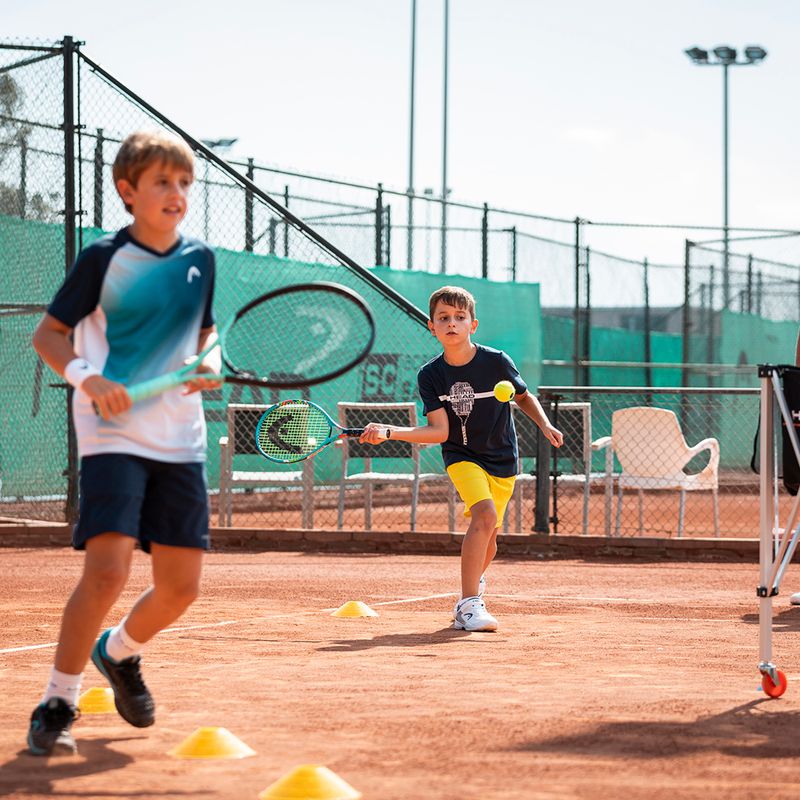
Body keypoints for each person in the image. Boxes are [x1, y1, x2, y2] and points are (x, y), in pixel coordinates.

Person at [27, 130, 221, 756]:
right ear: (128, 190)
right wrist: (91, 378)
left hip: (180, 438)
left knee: (181, 587)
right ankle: (58, 701)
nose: (176, 193)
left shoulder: (200, 259)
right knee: (107, 570)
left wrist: (212, 360)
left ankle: (118, 652)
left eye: (184, 183)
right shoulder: (102, 259)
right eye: (163, 181)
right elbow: (49, 336)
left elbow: (206, 334)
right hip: (111, 432)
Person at [359, 285, 563, 631]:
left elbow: (523, 397)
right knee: (484, 516)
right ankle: (470, 605)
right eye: (443, 318)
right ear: (431, 326)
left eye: (459, 317)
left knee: (491, 539)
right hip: (461, 455)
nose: (451, 323)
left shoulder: (496, 361)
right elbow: (439, 431)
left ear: (473, 324)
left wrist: (544, 424)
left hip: (503, 458)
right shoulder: (430, 375)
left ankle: (468, 594)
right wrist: (391, 431)